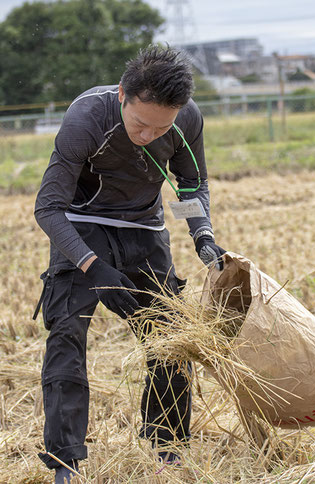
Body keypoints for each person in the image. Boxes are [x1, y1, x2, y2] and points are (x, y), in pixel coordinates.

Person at [33, 45, 225, 483]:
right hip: (80, 224)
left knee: (171, 335)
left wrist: (203, 236)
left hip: (144, 226)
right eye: (140, 124)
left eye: (162, 127)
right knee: (66, 330)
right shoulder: (86, 118)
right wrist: (91, 265)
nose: (148, 135)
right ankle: (65, 460)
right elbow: (47, 208)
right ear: (122, 94)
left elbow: (191, 183)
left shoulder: (187, 119)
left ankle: (168, 446)